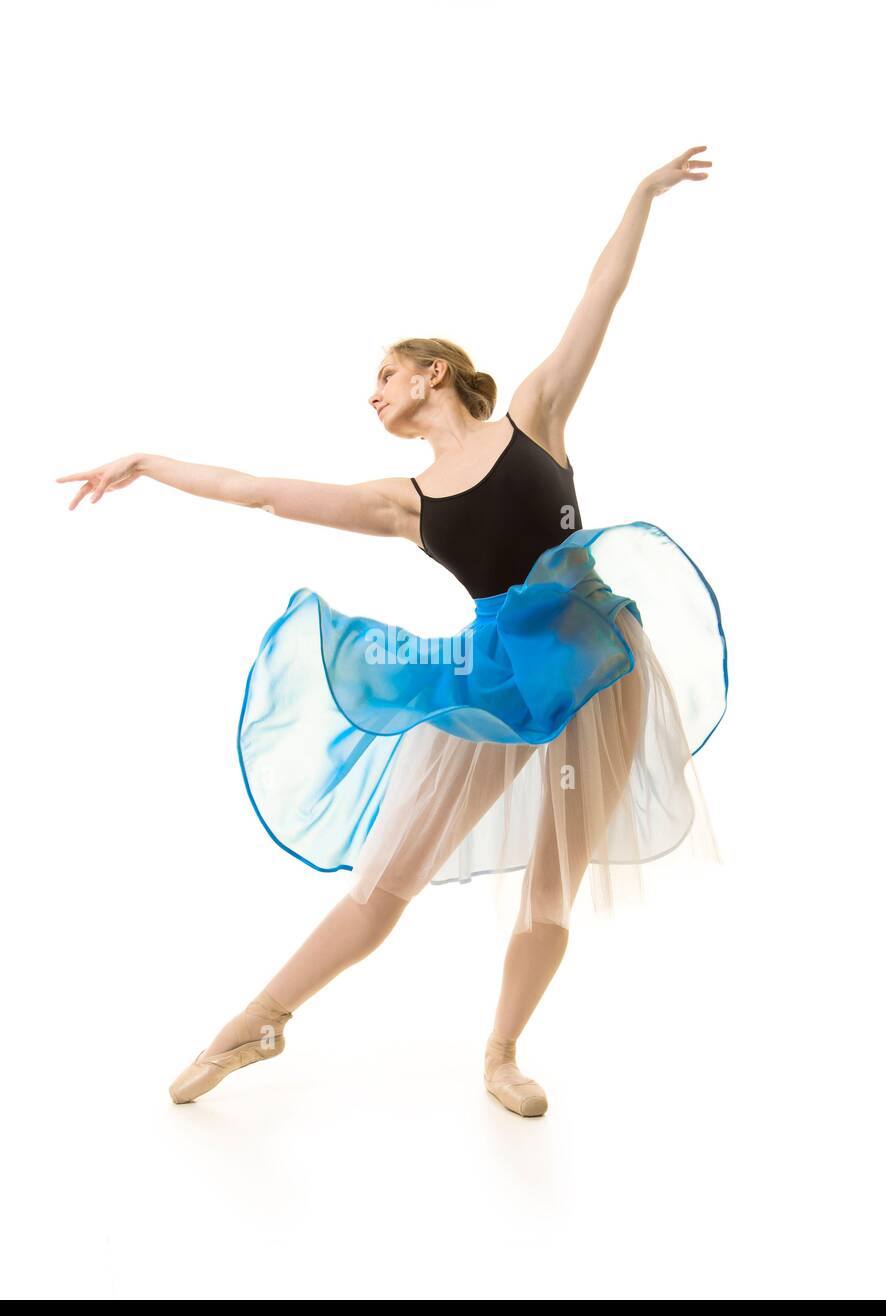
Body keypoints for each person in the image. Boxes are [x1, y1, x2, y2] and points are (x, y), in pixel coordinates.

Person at [56, 146, 727, 1119]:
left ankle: (501, 1053)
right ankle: (254, 1020)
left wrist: (640, 199)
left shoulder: (536, 414)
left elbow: (600, 295)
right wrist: (151, 462)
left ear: (434, 372)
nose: (371, 394)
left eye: (383, 375)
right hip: (497, 679)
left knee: (552, 884)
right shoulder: (401, 502)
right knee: (387, 879)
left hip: (601, 666)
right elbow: (258, 493)